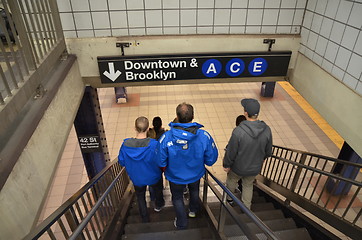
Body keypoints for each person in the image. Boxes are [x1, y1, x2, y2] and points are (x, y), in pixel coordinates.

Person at [158, 102, 218, 229]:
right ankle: (193, 211)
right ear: (193, 116)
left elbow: (160, 161)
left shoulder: (166, 137)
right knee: (194, 190)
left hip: (175, 177)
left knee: (178, 198)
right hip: (195, 174)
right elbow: (211, 160)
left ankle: (181, 222)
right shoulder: (204, 136)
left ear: (177, 116)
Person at [223, 98, 272, 209]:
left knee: (231, 180)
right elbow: (268, 150)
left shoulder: (239, 131)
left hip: (238, 167)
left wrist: (227, 164)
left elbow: (231, 151)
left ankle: (229, 199)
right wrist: (263, 158)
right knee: (248, 185)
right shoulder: (266, 130)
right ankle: (246, 208)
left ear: (245, 113)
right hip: (254, 167)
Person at [118, 116, 165, 222]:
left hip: (137, 178)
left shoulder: (125, 145)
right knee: (158, 190)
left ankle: (144, 217)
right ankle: (158, 205)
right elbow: (161, 160)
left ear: (135, 128)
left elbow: (121, 162)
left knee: (140, 196)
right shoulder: (154, 145)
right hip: (154, 176)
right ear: (148, 129)